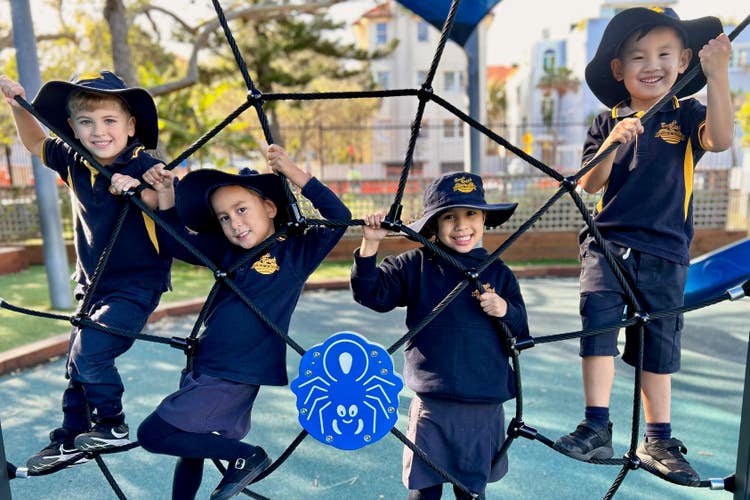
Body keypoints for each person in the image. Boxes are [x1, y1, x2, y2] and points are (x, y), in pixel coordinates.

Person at [553, 7, 734, 483]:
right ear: (619, 70)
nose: (651, 64)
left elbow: (720, 138)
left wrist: (718, 76)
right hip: (607, 248)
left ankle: (657, 438)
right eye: (637, 57)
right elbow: (589, 184)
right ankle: (596, 425)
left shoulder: (688, 114)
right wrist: (614, 140)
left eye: (663, 54)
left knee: (658, 345)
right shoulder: (605, 123)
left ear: (683, 61)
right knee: (598, 333)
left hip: (664, 250)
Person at [136, 144, 351, 500]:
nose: (234, 222)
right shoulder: (227, 251)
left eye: (241, 209)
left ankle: (248, 457)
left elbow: (339, 216)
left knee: (153, 434)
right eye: (224, 217)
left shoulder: (294, 251)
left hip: (235, 371)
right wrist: (165, 195)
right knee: (190, 449)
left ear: (269, 207)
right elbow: (175, 242)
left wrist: (295, 173)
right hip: (206, 363)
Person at [0, 71, 172, 473]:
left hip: (136, 284)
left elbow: (169, 205)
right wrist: (16, 105)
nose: (99, 131)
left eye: (110, 121)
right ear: (73, 127)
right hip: (91, 284)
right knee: (76, 366)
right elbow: (35, 142)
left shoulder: (144, 162)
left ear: (131, 127)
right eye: (86, 122)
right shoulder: (74, 159)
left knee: (91, 354)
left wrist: (146, 188)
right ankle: (71, 436)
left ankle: (112, 424)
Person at [350, 172, 529, 499]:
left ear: (484, 218)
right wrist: (370, 243)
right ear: (433, 224)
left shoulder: (497, 272)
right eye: (450, 216)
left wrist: (504, 309)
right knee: (423, 490)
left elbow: (520, 332)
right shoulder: (416, 265)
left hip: (482, 404)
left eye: (471, 214)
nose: (462, 225)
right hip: (433, 403)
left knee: (471, 491)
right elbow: (372, 293)